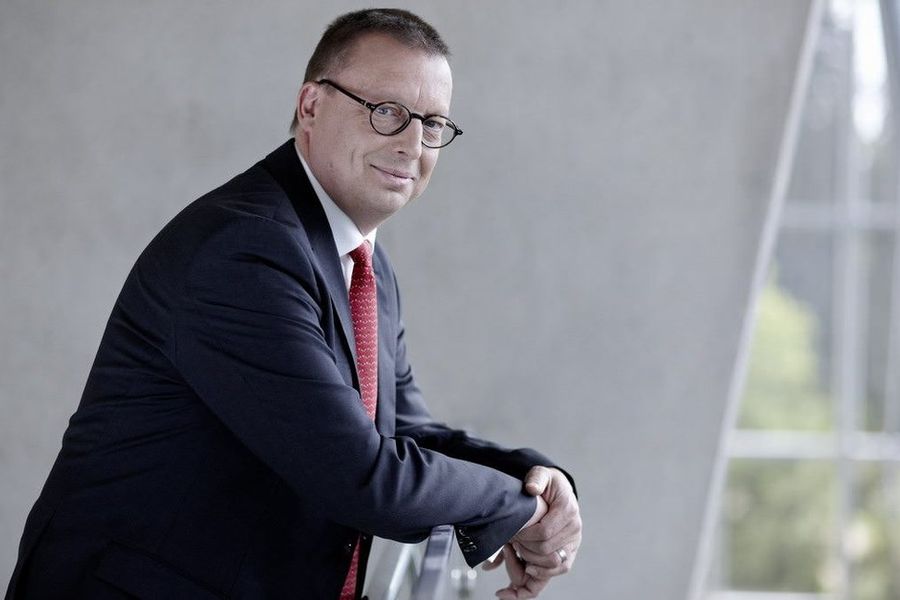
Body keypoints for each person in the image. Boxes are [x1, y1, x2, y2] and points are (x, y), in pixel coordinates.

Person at [6, 8, 581, 600]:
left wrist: (535, 481)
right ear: (311, 105)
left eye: (433, 123)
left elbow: (402, 433)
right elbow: (361, 475)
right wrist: (516, 508)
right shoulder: (243, 252)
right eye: (387, 112)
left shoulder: (363, 263)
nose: (413, 144)